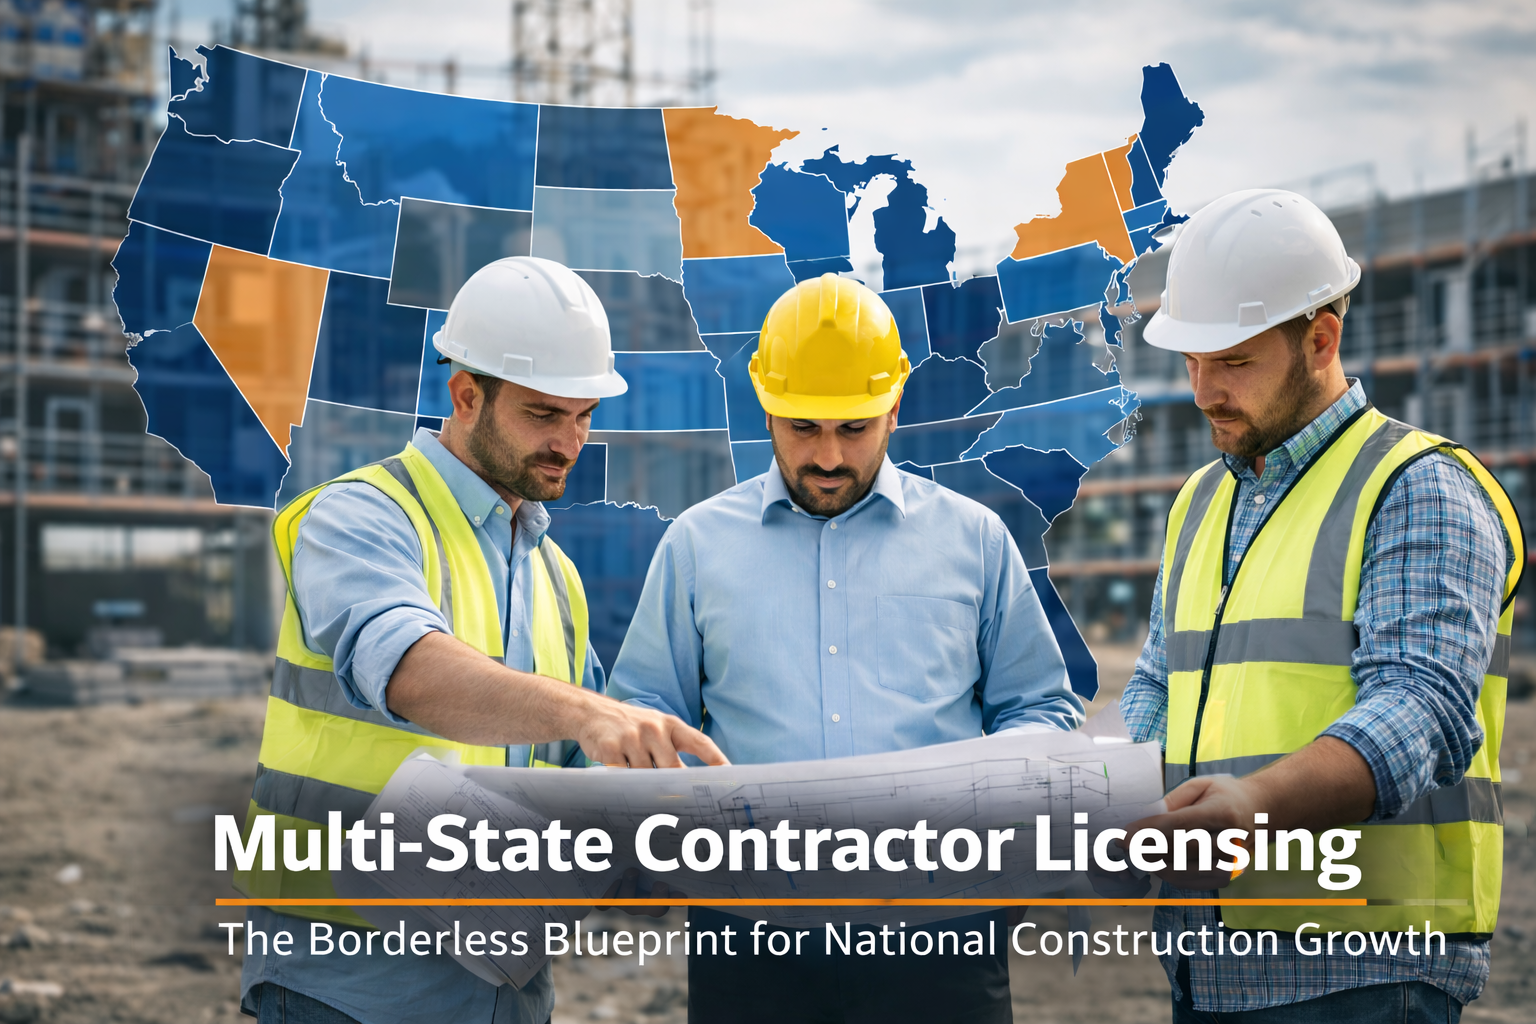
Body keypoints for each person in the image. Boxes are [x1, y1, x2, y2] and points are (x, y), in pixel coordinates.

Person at [234, 257, 726, 1023]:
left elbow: (574, 781)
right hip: (350, 985)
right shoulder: (360, 517)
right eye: (542, 414)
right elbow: (409, 670)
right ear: (467, 395)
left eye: (583, 414)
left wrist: (650, 854)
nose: (569, 441)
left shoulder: (555, 576)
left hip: (504, 986)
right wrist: (590, 716)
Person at [607, 272, 1085, 1023]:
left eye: (853, 429)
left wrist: (985, 794)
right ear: (767, 408)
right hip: (749, 938)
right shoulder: (697, 546)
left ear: (893, 407)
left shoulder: (975, 541)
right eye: (803, 427)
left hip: (941, 935)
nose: (827, 456)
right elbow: (644, 713)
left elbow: (1040, 706)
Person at [1120, 190, 1524, 1022]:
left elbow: (1422, 710)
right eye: (1191, 363)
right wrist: (1121, 791)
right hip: (1207, 967)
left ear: (1321, 340)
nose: (1202, 393)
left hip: (1365, 979)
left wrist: (1255, 806)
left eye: (1232, 362)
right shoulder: (1199, 502)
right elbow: (1159, 687)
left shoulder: (1417, 488)